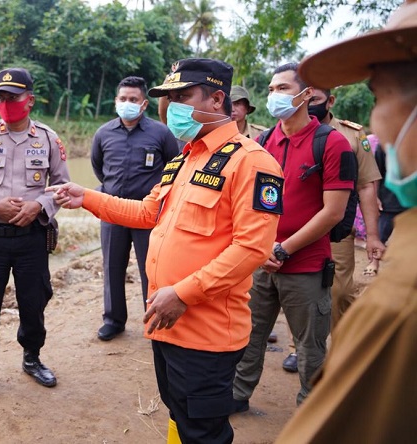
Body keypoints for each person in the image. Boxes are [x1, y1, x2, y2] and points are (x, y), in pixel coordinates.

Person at [51, 58, 283, 444]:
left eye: (182, 95)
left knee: (204, 430)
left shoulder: (252, 163)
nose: (172, 105)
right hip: (166, 323)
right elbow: (147, 211)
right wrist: (87, 197)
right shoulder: (183, 159)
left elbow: (252, 248)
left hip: (206, 334)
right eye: (169, 97)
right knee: (178, 412)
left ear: (216, 99)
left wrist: (183, 293)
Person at [274, 1, 417, 441]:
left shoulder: (401, 300)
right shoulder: (270, 137)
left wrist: (371, 235)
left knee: (329, 304)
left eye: (381, 96)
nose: (379, 118)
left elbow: (359, 194)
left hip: (320, 245)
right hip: (279, 250)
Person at [232, 63, 354, 409]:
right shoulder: (264, 141)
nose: (274, 96)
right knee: (248, 335)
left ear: (306, 94)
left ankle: (311, 411)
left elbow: (333, 211)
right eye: (271, 90)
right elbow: (249, 201)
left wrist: (283, 250)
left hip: (306, 266)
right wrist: (260, 246)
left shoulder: (333, 144)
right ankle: (238, 396)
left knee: (309, 346)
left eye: (282, 89)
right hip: (259, 259)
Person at [0, 67, 70, 399]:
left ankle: (32, 359)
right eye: (0, 97)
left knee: (33, 302)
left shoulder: (49, 139)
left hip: (33, 238)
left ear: (29, 100)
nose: (5, 103)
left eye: (12, 97)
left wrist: (39, 206)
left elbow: (62, 186)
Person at [277, 87, 386, 372]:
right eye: (306, 99)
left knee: (338, 290)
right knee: (296, 288)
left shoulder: (350, 136)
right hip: (294, 231)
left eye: (316, 100)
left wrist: (372, 235)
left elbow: (366, 185)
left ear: (330, 101)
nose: (310, 105)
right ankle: (296, 348)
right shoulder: (282, 133)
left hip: (335, 229)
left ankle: (342, 348)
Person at [91, 76, 180, 341]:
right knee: (112, 266)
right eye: (122, 99)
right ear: (115, 101)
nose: (127, 103)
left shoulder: (160, 133)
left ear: (143, 104)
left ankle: (152, 316)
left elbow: (173, 167)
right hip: (112, 211)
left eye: (133, 100)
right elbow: (98, 168)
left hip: (148, 214)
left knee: (150, 268)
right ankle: (113, 320)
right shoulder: (103, 133)